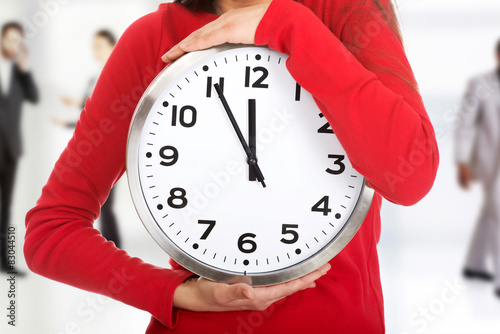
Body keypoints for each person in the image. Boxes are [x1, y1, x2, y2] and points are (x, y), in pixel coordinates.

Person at [24, 0, 439, 332]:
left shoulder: (346, 12)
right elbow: (51, 232)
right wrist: (179, 291)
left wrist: (289, 24)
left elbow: (411, 177)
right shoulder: (153, 40)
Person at [54, 29, 122, 248]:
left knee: (106, 205)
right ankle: (102, 248)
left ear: (113, 46)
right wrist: (67, 118)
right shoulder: (95, 77)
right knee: (95, 204)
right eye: (94, 46)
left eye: (100, 46)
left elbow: (111, 114)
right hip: (92, 149)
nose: (96, 51)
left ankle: (114, 249)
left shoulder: (119, 76)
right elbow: (90, 113)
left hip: (111, 149)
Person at [455, 38, 500, 298]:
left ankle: (474, 264)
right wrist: (462, 162)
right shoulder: (481, 85)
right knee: (498, 211)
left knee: (492, 212)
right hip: (490, 160)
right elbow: (465, 125)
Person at [0, 22, 38, 273]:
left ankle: (4, 261)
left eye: (18, 41)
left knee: (5, 206)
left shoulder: (18, 73)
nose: (14, 45)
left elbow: (34, 97)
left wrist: (25, 71)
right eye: (10, 39)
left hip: (10, 149)